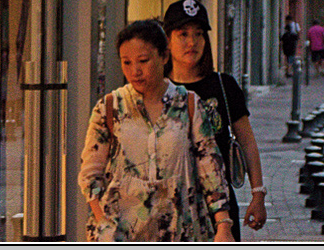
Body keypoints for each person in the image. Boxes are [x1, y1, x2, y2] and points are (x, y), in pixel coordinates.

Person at [78, 19, 235, 241]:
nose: (135, 71)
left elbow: (210, 168)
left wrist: (223, 225)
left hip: (180, 231)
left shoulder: (188, 104)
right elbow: (90, 173)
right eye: (127, 62)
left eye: (143, 61)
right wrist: (103, 221)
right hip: (121, 234)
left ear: (164, 56)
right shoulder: (110, 107)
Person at [163, 0, 267, 235]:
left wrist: (258, 193)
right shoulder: (157, 88)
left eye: (199, 34)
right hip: (169, 206)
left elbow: (247, 142)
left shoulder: (224, 85)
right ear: (167, 40)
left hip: (220, 208)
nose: (192, 42)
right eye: (183, 34)